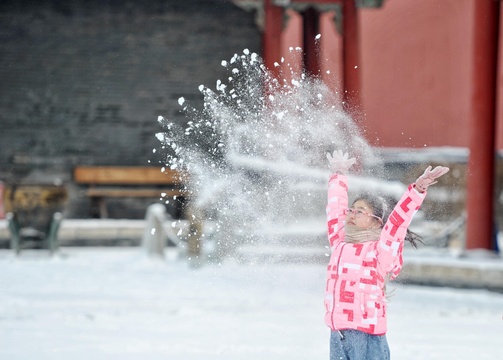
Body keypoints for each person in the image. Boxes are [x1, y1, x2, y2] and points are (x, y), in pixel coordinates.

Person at [324, 150, 449, 360]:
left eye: (360, 211)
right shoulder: (339, 242)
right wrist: (338, 175)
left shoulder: (381, 251)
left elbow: (398, 223)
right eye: (351, 210)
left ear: (377, 221)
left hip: (366, 335)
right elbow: (335, 209)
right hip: (337, 334)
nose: (352, 214)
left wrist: (417, 190)